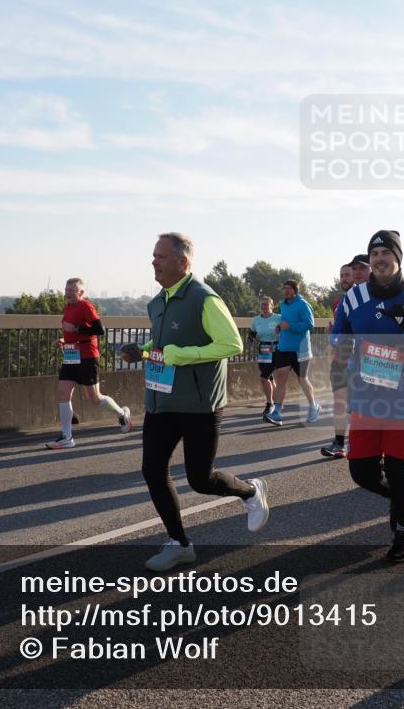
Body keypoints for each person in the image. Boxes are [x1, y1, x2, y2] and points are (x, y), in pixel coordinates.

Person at [119, 233, 269, 572]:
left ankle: (249, 492)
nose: (153, 261)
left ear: (182, 262)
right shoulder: (158, 302)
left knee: (200, 480)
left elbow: (231, 344)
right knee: (152, 470)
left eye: (159, 256)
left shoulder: (205, 298)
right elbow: (164, 343)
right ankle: (179, 543)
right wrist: (141, 351)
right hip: (162, 400)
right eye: (153, 255)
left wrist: (184, 356)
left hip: (200, 404)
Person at [332, 230, 404, 562]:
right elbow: (338, 336)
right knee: (361, 472)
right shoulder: (354, 298)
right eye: (374, 253)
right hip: (366, 397)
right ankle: (398, 500)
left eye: (386, 253)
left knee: (398, 472)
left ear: (398, 258)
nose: (380, 258)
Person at [46, 277, 131, 450]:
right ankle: (66, 437)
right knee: (63, 393)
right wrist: (63, 339)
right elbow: (70, 331)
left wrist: (76, 329)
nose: (67, 293)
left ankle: (122, 414)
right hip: (71, 355)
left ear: (81, 292)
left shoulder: (85, 306)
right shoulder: (67, 307)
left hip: (87, 356)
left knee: (94, 398)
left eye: (72, 290)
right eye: (66, 289)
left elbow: (100, 330)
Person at [265, 280, 321, 427]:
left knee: (302, 379)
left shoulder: (303, 304)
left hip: (300, 349)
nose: (287, 291)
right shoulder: (283, 304)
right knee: (280, 376)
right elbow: (285, 321)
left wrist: (291, 326)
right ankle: (276, 412)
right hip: (284, 347)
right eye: (285, 289)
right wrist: (279, 327)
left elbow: (310, 324)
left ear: (295, 290)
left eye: (289, 289)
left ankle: (313, 406)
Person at [322, 263, 356, 458]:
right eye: (342, 275)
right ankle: (339, 443)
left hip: (360, 359)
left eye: (348, 275)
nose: (344, 278)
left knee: (357, 405)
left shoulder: (366, 301)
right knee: (339, 402)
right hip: (340, 358)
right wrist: (332, 337)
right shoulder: (338, 302)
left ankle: (361, 442)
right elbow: (340, 328)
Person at [246, 295, 281, 416]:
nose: (264, 306)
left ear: (272, 305)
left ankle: (269, 403)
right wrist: (249, 340)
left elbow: (287, 329)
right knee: (270, 377)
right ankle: (277, 402)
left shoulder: (279, 318)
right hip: (263, 349)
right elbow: (252, 332)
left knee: (264, 377)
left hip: (276, 349)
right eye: (262, 304)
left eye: (266, 304)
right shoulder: (256, 320)